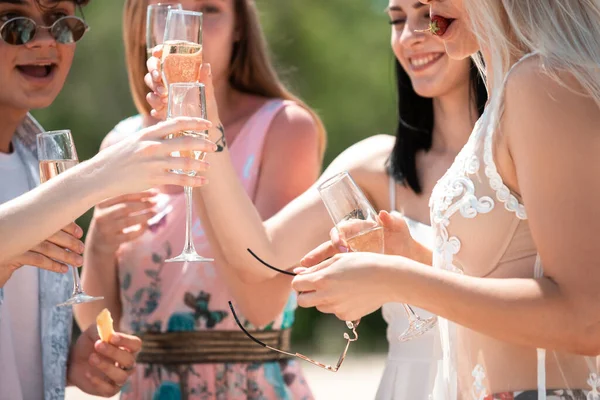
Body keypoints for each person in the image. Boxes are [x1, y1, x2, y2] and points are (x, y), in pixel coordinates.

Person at [143, 0, 486, 398]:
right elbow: (259, 257)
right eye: (396, 20)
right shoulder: (375, 165)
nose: (409, 35)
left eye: (426, 16)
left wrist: (398, 275)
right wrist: (207, 123)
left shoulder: (518, 158)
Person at [293, 0, 600, 398]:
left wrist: (395, 279)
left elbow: (588, 317)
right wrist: (415, 258)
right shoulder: (510, 93)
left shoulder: (540, 81)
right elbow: (516, 273)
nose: (429, 8)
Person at [75, 0, 326, 398]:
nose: (184, 30)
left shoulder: (284, 128)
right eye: (169, 9)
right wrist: (99, 247)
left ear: (239, 26)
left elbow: (263, 309)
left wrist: (201, 134)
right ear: (145, 25)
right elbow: (101, 329)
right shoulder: (120, 144)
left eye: (208, 10)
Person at [0, 0, 215, 398]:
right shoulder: (68, 180)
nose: (44, 40)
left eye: (61, 24)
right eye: (13, 24)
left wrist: (67, 365)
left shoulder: (39, 161)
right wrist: (100, 175)